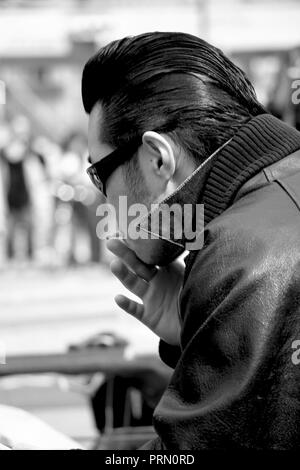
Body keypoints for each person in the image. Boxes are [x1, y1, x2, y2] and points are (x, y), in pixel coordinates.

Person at [82, 32, 300, 450]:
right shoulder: (274, 199)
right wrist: (202, 332)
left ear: (157, 158)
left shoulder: (243, 255)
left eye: (99, 174)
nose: (104, 202)